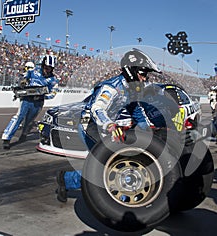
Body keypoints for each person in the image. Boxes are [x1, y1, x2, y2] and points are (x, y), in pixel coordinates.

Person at [56, 49, 164, 202]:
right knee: (108, 166)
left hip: (108, 128)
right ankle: (122, 199)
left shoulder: (133, 90)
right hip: (91, 126)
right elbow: (97, 109)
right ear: (132, 71)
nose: (145, 78)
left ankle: (66, 179)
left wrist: (149, 130)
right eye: (143, 73)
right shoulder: (110, 87)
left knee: (110, 164)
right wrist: (110, 125)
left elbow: (137, 111)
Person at [1, 55, 59, 149]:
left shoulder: (53, 80)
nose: (47, 70)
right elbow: (22, 78)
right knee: (18, 117)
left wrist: (43, 96)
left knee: (30, 120)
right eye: (46, 67)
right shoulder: (33, 71)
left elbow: (53, 93)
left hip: (38, 102)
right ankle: (6, 138)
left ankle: (24, 134)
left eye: (50, 68)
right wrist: (23, 82)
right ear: (43, 65)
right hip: (27, 99)